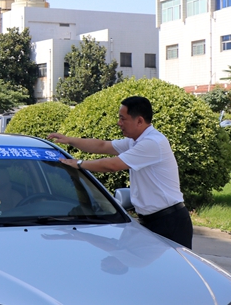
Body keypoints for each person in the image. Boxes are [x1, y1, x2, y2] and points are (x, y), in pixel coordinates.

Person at [48, 96, 193, 249]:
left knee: (171, 271)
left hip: (169, 222)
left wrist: (79, 164)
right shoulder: (135, 141)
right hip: (150, 221)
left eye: (123, 119)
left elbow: (112, 165)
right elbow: (102, 145)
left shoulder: (152, 143)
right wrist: (69, 140)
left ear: (139, 121)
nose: (119, 123)